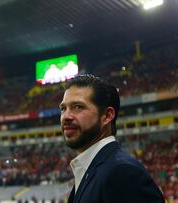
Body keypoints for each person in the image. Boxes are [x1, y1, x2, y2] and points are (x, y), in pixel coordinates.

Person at [59, 74, 164, 203]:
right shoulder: (92, 169)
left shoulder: (122, 172)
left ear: (107, 116)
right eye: (63, 109)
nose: (66, 116)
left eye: (78, 107)